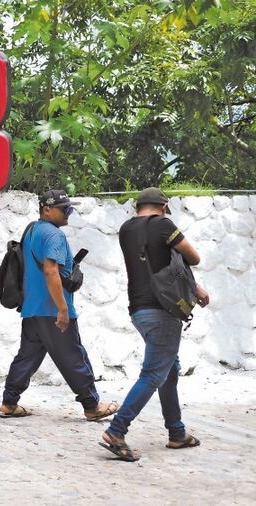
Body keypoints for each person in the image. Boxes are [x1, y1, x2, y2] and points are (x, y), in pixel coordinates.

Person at [100, 187, 209, 462]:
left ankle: (177, 433)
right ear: (164, 205)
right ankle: (117, 430)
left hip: (138, 310)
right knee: (153, 373)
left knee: (168, 369)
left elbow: (159, 263)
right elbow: (193, 257)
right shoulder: (163, 225)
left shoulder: (126, 229)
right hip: (163, 310)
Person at [0, 189, 118, 421]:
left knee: (27, 357)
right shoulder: (54, 235)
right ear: (47, 209)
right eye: (65, 209)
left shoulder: (32, 230)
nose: (68, 213)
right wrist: (62, 309)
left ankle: (9, 403)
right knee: (73, 356)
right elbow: (51, 270)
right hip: (52, 309)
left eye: (69, 209)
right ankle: (92, 406)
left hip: (32, 308)